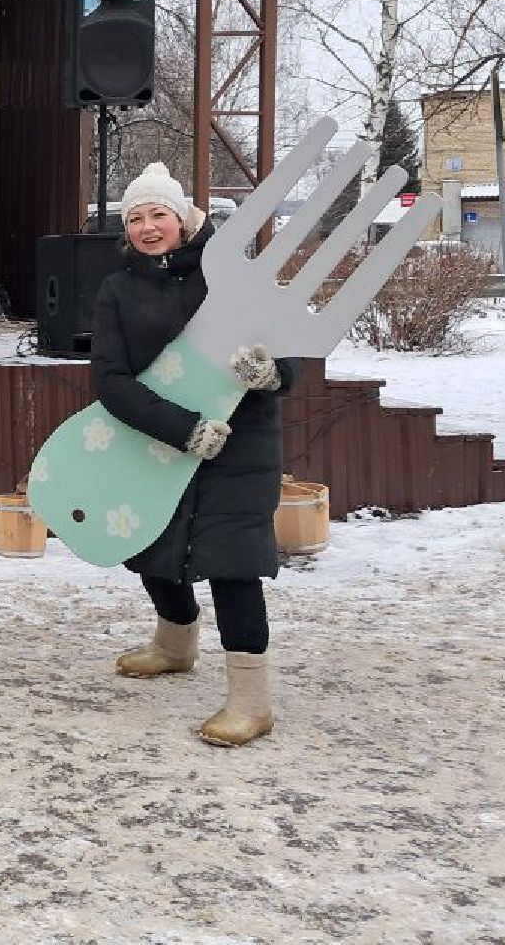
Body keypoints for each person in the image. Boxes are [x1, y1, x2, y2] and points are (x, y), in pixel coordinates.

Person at [90, 162, 301, 748]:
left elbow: (288, 353)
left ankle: (250, 703)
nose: (148, 227)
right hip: (160, 440)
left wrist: (272, 373)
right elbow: (110, 379)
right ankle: (175, 643)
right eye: (137, 218)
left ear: (182, 218)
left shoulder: (230, 275)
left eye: (159, 214)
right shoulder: (118, 289)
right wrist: (181, 429)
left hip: (241, 447)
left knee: (233, 566)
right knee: (149, 548)